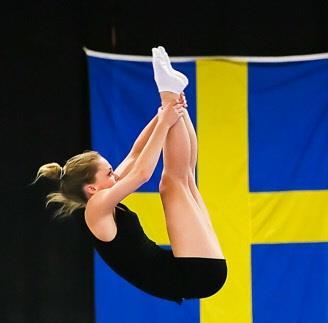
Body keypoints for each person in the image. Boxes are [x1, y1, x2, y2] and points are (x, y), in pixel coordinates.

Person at [31, 46, 227, 305]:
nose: (115, 174)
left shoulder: (103, 194)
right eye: (109, 172)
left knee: (184, 178)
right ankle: (169, 92)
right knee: (172, 183)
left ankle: (172, 94)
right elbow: (142, 173)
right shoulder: (96, 209)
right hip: (194, 274)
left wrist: (163, 114)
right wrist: (166, 119)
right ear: (92, 188)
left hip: (197, 268)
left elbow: (135, 156)